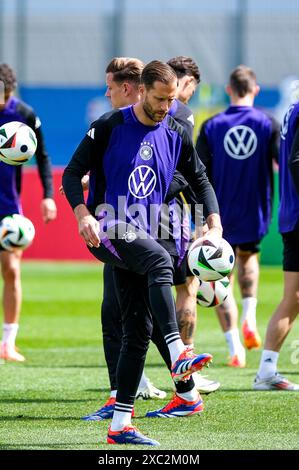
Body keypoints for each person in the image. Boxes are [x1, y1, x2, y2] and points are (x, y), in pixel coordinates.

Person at [63, 60, 222, 445]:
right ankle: (178, 350)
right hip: (110, 225)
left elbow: (198, 178)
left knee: (136, 330)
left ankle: (120, 424)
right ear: (141, 90)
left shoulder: (175, 132)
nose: (166, 106)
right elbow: (71, 173)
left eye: (171, 100)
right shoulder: (109, 126)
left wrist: (213, 222)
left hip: (145, 230)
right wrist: (82, 213)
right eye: (159, 98)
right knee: (160, 261)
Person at [196, 65, 280, 367]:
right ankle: (250, 316)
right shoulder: (268, 123)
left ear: (229, 90)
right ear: (255, 90)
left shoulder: (211, 126)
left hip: (218, 211)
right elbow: (283, 162)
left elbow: (197, 172)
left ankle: (234, 347)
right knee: (248, 257)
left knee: (219, 274)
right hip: (255, 205)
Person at [167, 56, 220, 392]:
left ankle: (130, 378)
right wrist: (202, 220)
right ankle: (186, 372)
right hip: (164, 217)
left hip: (127, 212)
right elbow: (187, 174)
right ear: (186, 81)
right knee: (187, 288)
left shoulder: (136, 108)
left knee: (136, 296)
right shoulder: (182, 113)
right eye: (191, 88)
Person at [0, 63, 57, 362]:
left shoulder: (23, 115)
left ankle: (8, 342)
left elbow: (44, 156)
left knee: (11, 269)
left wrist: (48, 196)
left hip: (8, 206)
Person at [253, 101, 299, 391]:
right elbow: (296, 162)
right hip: (298, 216)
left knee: (294, 297)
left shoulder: (293, 108)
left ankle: (267, 370)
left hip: (292, 215)